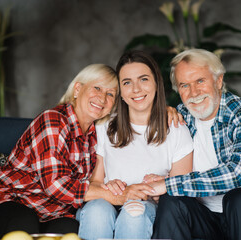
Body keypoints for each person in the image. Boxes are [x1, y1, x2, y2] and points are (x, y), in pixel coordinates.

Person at [0, 64, 118, 240]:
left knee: (71, 230)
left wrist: (114, 186)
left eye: (110, 93)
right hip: (3, 203)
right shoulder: (54, 120)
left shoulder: (97, 135)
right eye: (97, 87)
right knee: (24, 224)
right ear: (77, 89)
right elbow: (55, 185)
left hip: (50, 214)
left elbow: (94, 182)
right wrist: (114, 195)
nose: (102, 98)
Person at [148, 48, 241, 240]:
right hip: (209, 216)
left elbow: (237, 175)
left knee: (238, 198)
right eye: (184, 85)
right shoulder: (181, 116)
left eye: (200, 81)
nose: (193, 92)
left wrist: (168, 184)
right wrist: (153, 182)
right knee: (171, 201)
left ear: (218, 81)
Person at [76, 50, 194, 240]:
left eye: (144, 79)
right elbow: (95, 182)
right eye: (127, 82)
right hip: (107, 201)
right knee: (96, 212)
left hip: (148, 206)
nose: (136, 89)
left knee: (134, 212)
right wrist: (108, 186)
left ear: (156, 83)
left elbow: (183, 192)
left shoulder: (176, 128)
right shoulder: (104, 126)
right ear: (120, 93)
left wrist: (158, 190)